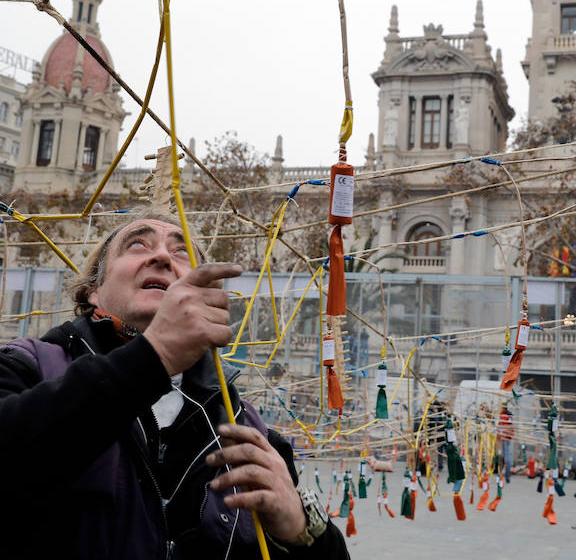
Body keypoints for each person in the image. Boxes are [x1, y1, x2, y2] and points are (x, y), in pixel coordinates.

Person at [0, 213, 349, 559]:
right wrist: (152, 358)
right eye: (138, 244)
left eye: (182, 252)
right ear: (94, 288)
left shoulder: (247, 429)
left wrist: (302, 529)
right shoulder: (28, 366)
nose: (163, 256)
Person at [498, 404, 514, 483]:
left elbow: (501, 426)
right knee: (506, 456)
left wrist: (500, 433)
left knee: (505, 457)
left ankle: (505, 475)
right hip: (507, 437)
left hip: (504, 437)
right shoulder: (509, 416)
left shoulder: (504, 416)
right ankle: (506, 476)